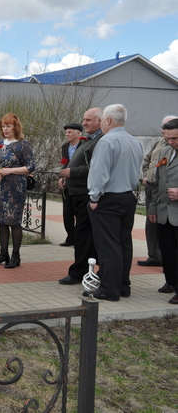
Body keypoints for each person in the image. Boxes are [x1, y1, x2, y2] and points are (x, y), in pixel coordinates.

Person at [86, 103, 143, 301]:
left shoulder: (106, 141)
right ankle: (123, 285)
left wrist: (94, 197)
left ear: (108, 120)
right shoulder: (135, 142)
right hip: (127, 196)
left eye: (102, 120)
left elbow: (99, 172)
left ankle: (109, 289)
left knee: (108, 245)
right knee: (123, 243)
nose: (101, 123)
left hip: (107, 199)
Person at [57, 108, 103, 285]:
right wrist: (66, 178)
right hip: (75, 192)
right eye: (84, 120)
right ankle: (87, 269)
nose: (84, 124)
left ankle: (79, 272)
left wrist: (72, 173)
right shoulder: (89, 140)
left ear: (101, 121)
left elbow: (95, 168)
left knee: (83, 235)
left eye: (88, 120)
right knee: (83, 234)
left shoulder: (100, 141)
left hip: (86, 193)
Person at [0, 113, 35, 269]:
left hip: (16, 188)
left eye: (8, 126)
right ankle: (3, 253)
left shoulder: (23, 144)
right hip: (1, 187)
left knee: (14, 221)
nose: (5, 129)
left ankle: (16, 256)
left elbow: (31, 167)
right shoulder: (0, 144)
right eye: (3, 126)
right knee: (1, 220)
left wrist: (10, 170)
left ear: (16, 127)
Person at [148, 117, 178, 303]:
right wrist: (153, 207)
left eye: (174, 138)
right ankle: (171, 281)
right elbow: (158, 182)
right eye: (167, 138)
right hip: (164, 211)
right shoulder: (165, 151)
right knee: (167, 250)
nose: (170, 142)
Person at [139, 117, 175, 266]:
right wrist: (147, 175)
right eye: (163, 127)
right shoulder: (162, 146)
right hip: (156, 195)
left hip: (173, 202)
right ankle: (155, 257)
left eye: (174, 138)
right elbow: (149, 162)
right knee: (153, 224)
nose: (170, 141)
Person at [58, 122, 84, 247]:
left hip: (80, 185)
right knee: (67, 212)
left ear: (78, 133)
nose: (67, 134)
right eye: (66, 132)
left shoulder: (84, 145)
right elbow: (64, 164)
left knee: (80, 213)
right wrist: (61, 178)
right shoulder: (65, 147)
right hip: (67, 185)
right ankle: (70, 237)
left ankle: (79, 238)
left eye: (70, 132)